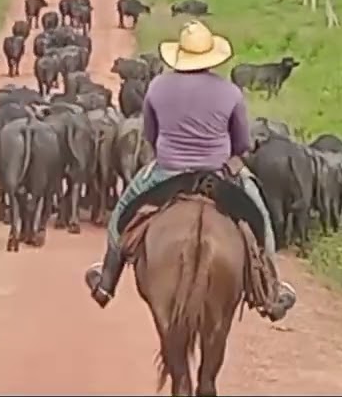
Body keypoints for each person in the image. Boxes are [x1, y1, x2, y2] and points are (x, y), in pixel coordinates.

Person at [84, 20, 297, 320]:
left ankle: (106, 280)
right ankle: (272, 289)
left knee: (122, 212)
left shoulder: (157, 86)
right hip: (219, 171)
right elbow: (242, 142)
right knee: (260, 215)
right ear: (211, 56)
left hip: (167, 170)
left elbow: (150, 134)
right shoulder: (229, 91)